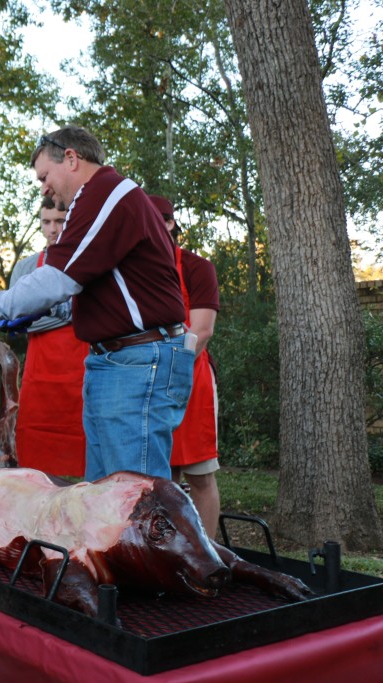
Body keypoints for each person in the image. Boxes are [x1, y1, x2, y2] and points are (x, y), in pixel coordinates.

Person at [0, 125, 193, 481]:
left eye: (45, 175)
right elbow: (90, 280)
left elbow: (58, 277)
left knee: (134, 500)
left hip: (138, 363)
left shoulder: (107, 193)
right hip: (119, 361)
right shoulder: (98, 199)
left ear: (72, 158)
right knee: (104, 496)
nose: (44, 187)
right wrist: (36, 310)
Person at [149, 194, 222, 536]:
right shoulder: (138, 273)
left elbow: (202, 330)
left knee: (200, 474)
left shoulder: (196, 267)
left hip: (190, 380)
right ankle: (172, 552)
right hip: (147, 382)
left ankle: (209, 554)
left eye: (158, 220)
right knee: (162, 477)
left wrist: (162, 362)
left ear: (170, 223)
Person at [6, 196, 89, 476]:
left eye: (60, 222)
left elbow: (100, 320)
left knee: (88, 462)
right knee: (37, 463)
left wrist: (41, 310)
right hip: (40, 377)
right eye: (47, 222)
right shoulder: (26, 268)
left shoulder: (91, 262)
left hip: (84, 375)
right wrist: (66, 313)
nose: (53, 229)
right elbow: (14, 319)